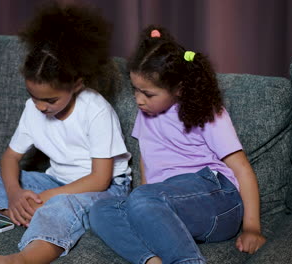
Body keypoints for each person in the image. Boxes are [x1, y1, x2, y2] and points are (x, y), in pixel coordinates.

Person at [0, 2, 132, 263]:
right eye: (33, 97)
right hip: (57, 181)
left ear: (77, 84)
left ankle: (21, 258)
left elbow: (100, 180)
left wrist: (43, 198)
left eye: (51, 100)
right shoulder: (32, 109)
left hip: (106, 189)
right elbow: (10, 158)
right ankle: (17, 212)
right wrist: (14, 194)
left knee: (60, 205)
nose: (41, 107)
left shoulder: (96, 110)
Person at [89, 26, 266, 264]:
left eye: (148, 94)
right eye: (135, 90)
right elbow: (147, 158)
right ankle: (152, 260)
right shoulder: (148, 112)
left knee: (141, 199)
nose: (138, 100)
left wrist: (252, 227)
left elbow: (242, 168)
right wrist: (144, 205)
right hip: (168, 207)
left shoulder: (207, 111)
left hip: (218, 201)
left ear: (179, 89)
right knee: (101, 211)